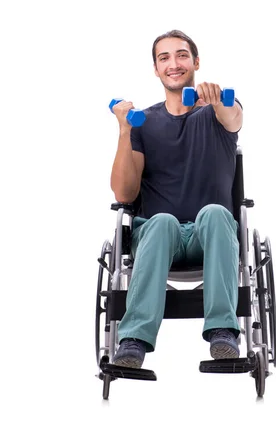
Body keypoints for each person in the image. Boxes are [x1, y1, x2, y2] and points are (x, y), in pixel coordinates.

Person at [110, 29, 243, 368]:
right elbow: (124, 193)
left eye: (182, 55)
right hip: (158, 237)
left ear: (195, 62)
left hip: (208, 236)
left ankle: (223, 333)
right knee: (162, 222)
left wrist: (219, 100)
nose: (174, 63)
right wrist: (125, 131)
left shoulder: (217, 110)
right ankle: (134, 339)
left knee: (214, 212)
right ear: (156, 68)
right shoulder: (145, 123)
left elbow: (234, 116)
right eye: (164, 57)